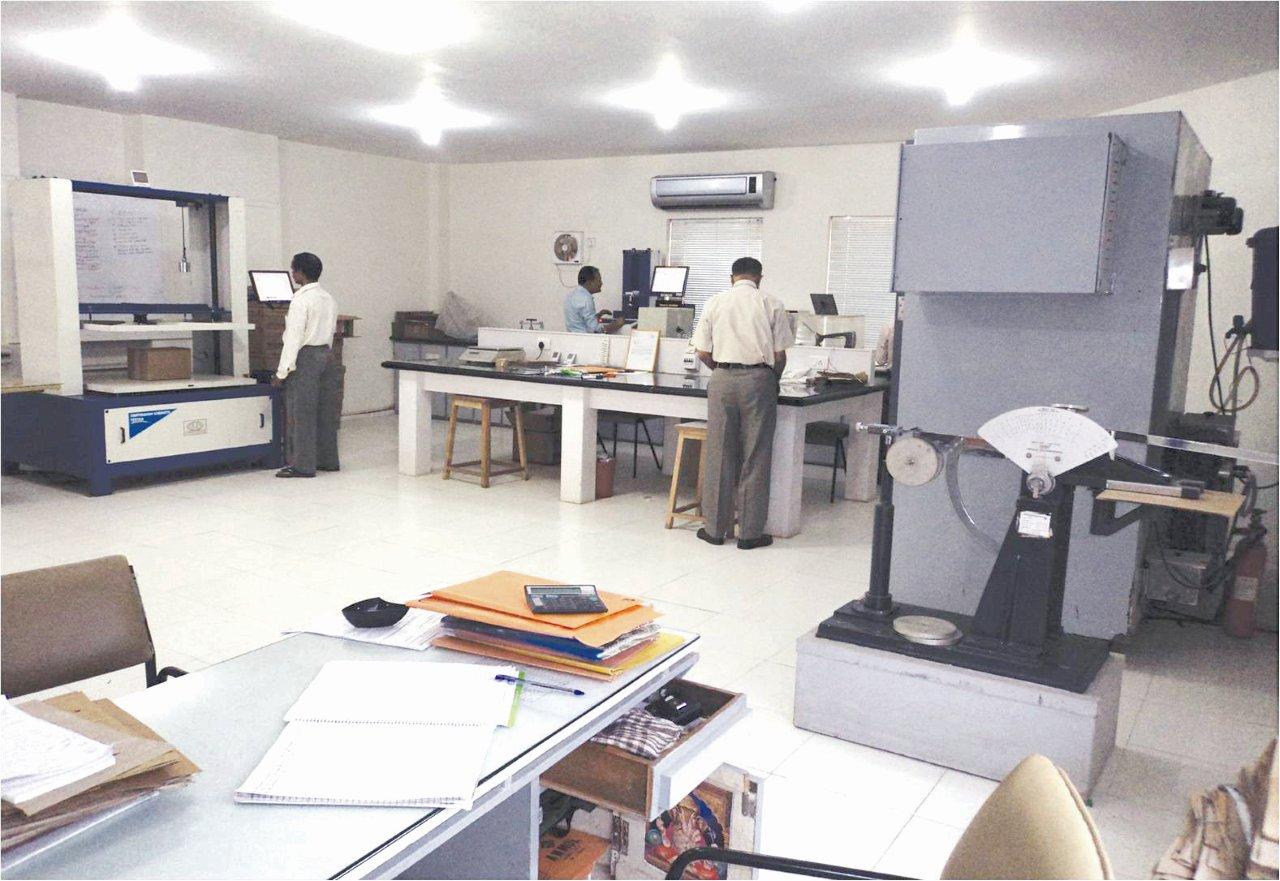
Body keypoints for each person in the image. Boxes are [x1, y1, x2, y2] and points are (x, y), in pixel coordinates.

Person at [691, 256, 795, 549]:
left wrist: (722, 371)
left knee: (719, 453)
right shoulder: (772, 304)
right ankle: (749, 534)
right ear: (759, 278)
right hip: (758, 379)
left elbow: (702, 352)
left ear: (731, 277)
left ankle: (714, 530)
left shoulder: (714, 302)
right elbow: (780, 355)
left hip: (722, 378)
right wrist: (770, 379)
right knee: (755, 455)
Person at [273, 252, 343, 478]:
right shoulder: (328, 298)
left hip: (307, 358)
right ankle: (328, 460)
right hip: (327, 356)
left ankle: (302, 465)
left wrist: (282, 372)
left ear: (301, 273)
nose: (292, 274)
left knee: (301, 412)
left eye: (293, 270)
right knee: (326, 412)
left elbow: (293, 338)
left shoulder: (301, 300)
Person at [564, 265, 624, 334]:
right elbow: (595, 330)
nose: (601, 283)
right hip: (585, 339)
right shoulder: (586, 299)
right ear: (590, 283)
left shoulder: (571, 296)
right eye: (599, 280)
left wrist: (599, 315)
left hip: (572, 337)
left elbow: (581, 320)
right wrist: (616, 324)